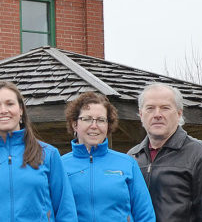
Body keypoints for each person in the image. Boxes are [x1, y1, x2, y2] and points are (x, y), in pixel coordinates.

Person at [0, 80, 76, 222]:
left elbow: (66, 211)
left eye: (10, 104)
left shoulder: (49, 154)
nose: (3, 110)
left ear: (21, 110)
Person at [127, 83, 202, 221]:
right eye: (150, 108)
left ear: (179, 113)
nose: (157, 114)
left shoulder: (200, 155)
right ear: (140, 114)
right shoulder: (131, 158)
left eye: (165, 108)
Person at [60, 92, 155, 222]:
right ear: (75, 124)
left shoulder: (127, 164)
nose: (94, 126)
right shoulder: (59, 166)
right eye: (87, 119)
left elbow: (145, 215)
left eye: (101, 120)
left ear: (108, 125)